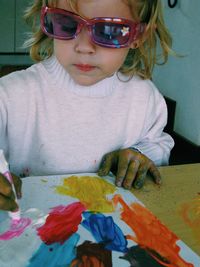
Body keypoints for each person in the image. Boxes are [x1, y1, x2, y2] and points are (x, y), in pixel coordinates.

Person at [0, 0, 174, 212]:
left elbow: (158, 145)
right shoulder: (10, 95)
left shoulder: (145, 98)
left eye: (109, 30)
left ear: (138, 36)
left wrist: (140, 154)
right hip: (30, 233)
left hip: (114, 229)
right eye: (66, 23)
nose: (84, 47)